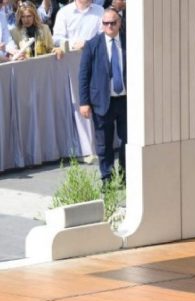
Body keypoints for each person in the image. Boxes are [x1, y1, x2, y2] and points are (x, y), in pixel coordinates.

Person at [78, 7, 126, 185]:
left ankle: (125, 175)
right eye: (106, 23)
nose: (109, 26)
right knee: (104, 143)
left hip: (126, 100)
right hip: (102, 102)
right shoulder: (93, 45)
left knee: (128, 140)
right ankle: (107, 178)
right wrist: (84, 102)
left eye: (113, 23)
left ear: (119, 23)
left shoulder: (130, 41)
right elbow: (84, 75)